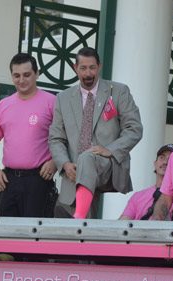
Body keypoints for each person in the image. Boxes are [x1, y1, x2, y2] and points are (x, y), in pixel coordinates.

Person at [49, 47, 143, 219]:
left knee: (87, 157)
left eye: (92, 67)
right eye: (83, 68)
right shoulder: (62, 98)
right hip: (74, 172)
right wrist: (64, 164)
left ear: (99, 66)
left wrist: (112, 149)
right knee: (69, 228)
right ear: (75, 67)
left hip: (108, 165)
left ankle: (79, 218)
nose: (88, 73)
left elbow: (134, 128)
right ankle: (80, 220)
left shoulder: (119, 91)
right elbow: (56, 138)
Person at [0, 53, 57, 217]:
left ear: (37, 74)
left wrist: (55, 162)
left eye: (27, 75)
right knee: (5, 234)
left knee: (36, 235)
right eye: (16, 75)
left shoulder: (52, 102)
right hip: (8, 180)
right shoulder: (3, 105)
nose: (21, 80)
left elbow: (67, 138)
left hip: (39, 179)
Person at [119, 144, 173, 220]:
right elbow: (123, 223)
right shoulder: (138, 197)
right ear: (155, 164)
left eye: (171, 159)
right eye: (162, 157)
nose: (165, 162)